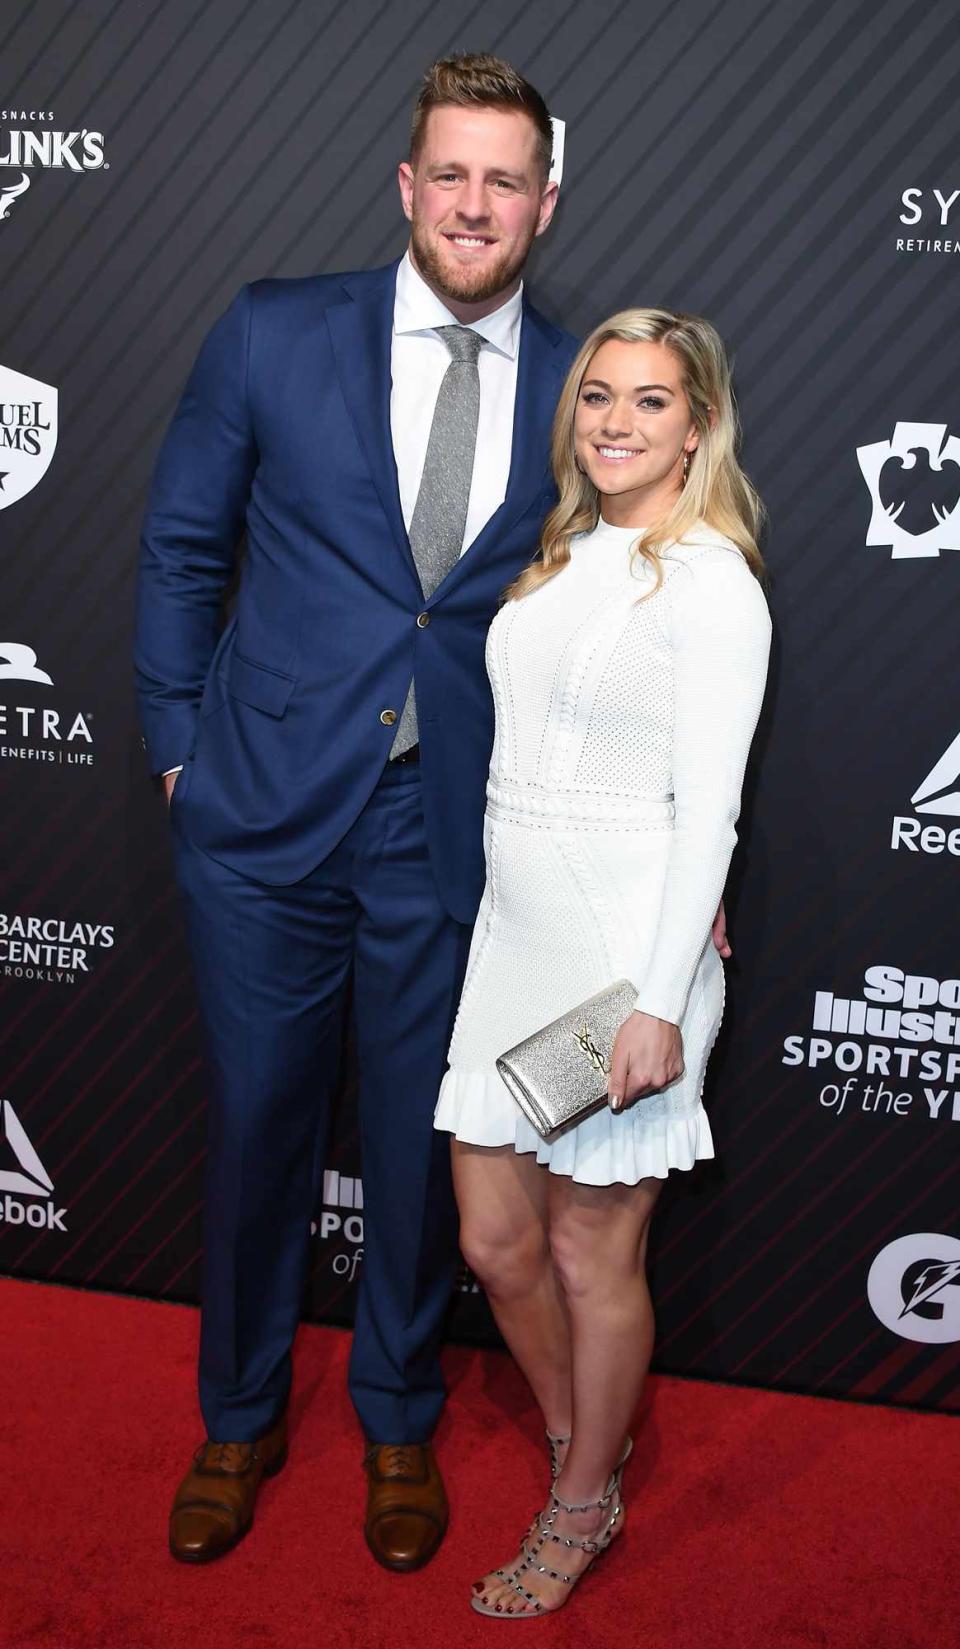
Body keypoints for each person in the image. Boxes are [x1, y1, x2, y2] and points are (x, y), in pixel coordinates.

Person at [134, 52, 575, 1572]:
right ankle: (240, 1414)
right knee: (257, 1125)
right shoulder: (274, 329)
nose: (474, 203)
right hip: (261, 819)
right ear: (406, 186)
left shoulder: (587, 383)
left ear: (546, 201)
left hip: (446, 829)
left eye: (503, 179)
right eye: (449, 174)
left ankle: (396, 1415)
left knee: (412, 1144)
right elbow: (183, 544)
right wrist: (181, 749)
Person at [434, 308, 772, 1617]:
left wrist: (658, 993)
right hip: (515, 943)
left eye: (649, 400)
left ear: (699, 423)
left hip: (625, 964)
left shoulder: (712, 583)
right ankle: (598, 1431)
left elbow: (713, 808)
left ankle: (579, 1498)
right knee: (492, 1237)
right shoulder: (561, 551)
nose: (618, 422)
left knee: (588, 1255)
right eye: (598, 397)